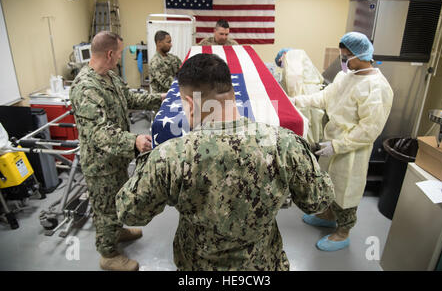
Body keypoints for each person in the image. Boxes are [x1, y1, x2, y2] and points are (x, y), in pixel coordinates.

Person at [116, 53, 335, 270]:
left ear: (190, 103)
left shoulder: (171, 155)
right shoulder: (286, 144)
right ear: (231, 93)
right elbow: (317, 201)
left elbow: (130, 212)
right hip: (263, 266)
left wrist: (150, 164)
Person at [69, 31, 165, 271]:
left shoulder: (108, 77)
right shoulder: (86, 87)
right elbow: (98, 132)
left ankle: (118, 231)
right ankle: (108, 254)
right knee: (105, 208)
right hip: (100, 164)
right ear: (110, 54)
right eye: (120, 53)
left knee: (117, 200)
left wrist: (161, 98)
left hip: (115, 158)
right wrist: (132, 142)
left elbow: (129, 98)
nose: (120, 57)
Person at [292, 32, 394, 252]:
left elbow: (369, 130)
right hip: (332, 142)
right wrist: (296, 101)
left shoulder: (377, 87)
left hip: (351, 151)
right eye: (342, 57)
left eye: (347, 57)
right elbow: (324, 97)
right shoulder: (345, 76)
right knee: (329, 184)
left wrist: (338, 146)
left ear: (362, 55)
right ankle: (328, 216)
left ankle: (343, 232)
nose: (343, 62)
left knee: (346, 190)